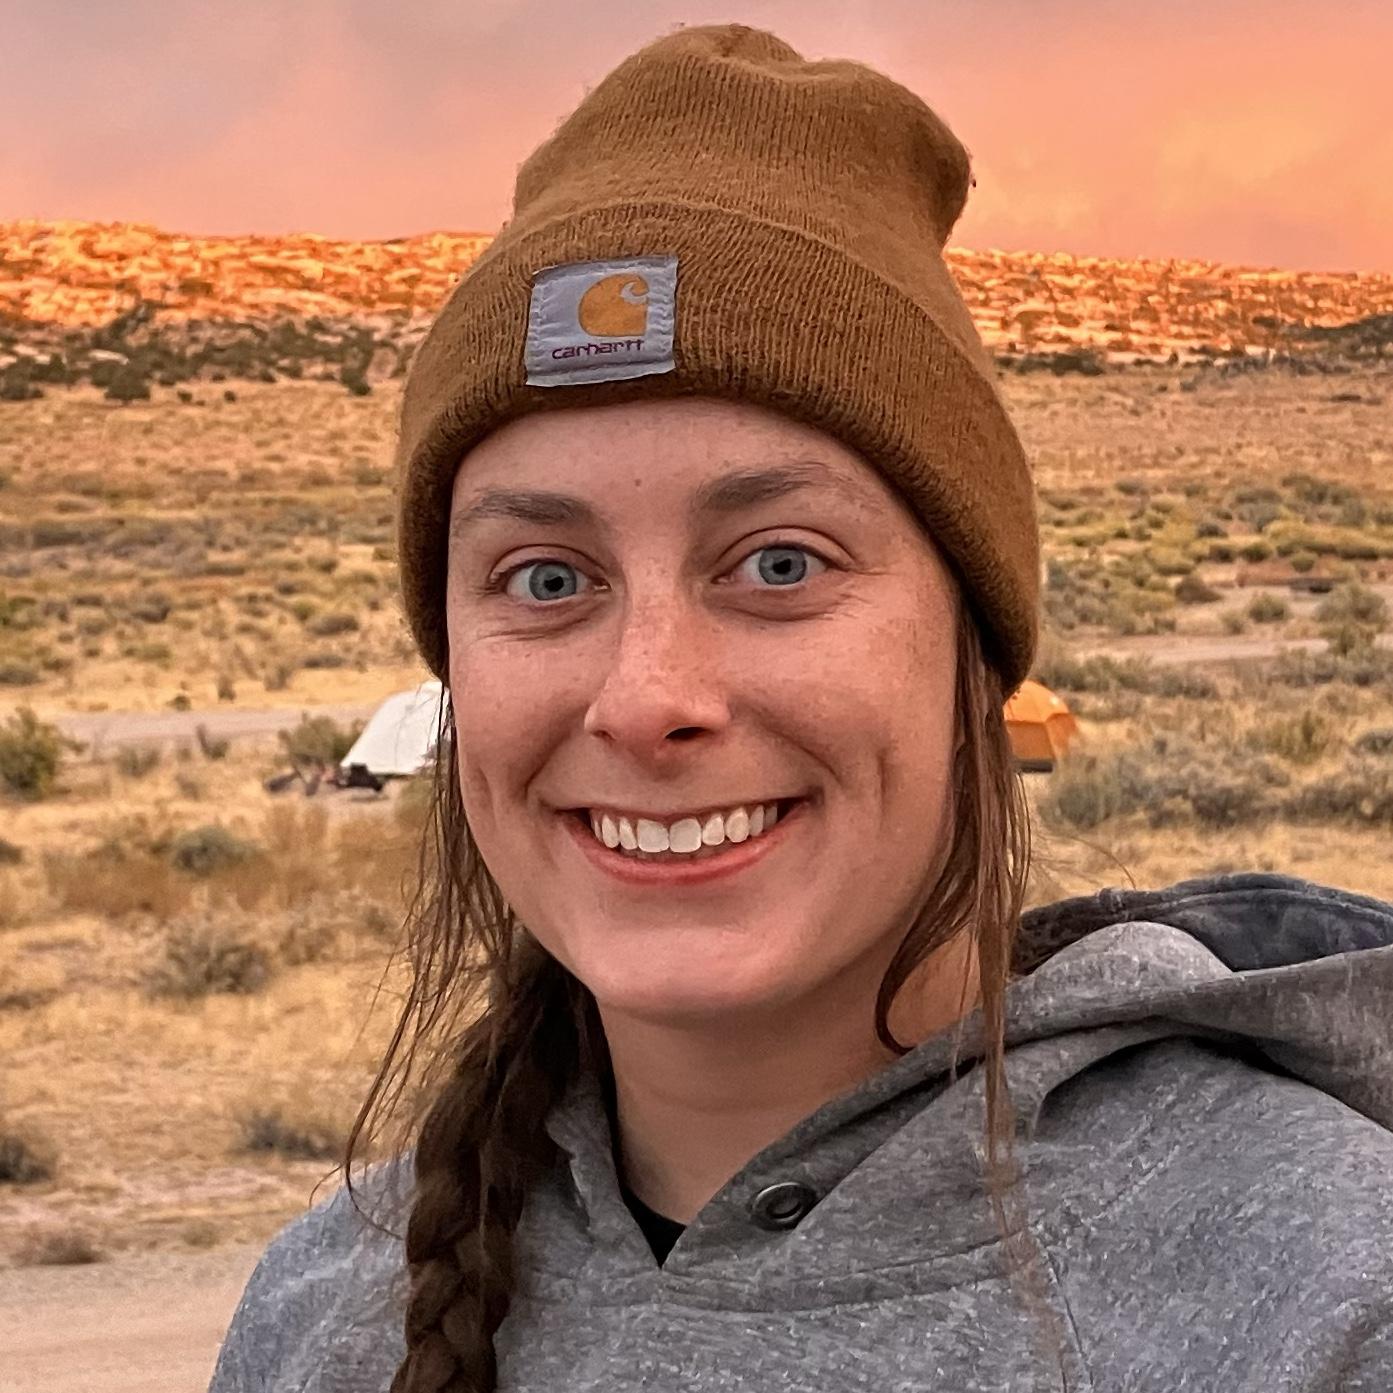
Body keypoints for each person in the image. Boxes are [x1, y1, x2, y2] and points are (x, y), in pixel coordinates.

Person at [207, 23, 1393, 1393]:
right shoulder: (323, 1318)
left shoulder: (1320, 1303)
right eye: (546, 578)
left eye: (780, 564)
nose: (647, 697)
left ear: (973, 648)